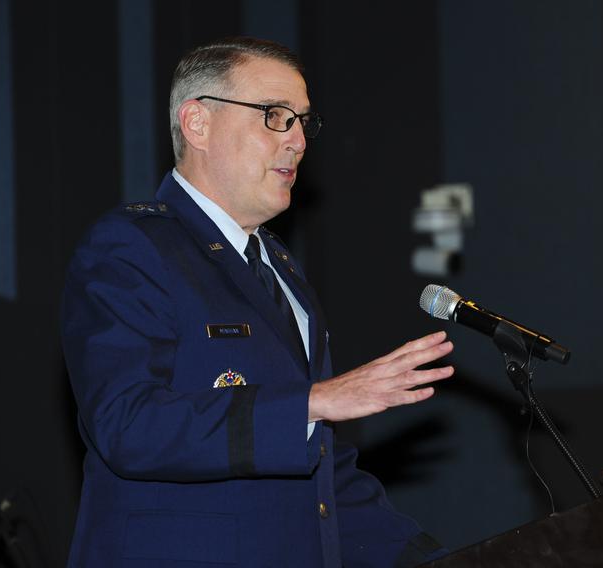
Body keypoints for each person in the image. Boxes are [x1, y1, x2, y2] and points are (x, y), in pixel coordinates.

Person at [60, 37, 454, 567]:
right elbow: (127, 424)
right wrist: (310, 403)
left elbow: (320, 474)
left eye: (304, 122)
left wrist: (438, 558)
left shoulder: (281, 270)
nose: (297, 141)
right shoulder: (133, 246)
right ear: (197, 123)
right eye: (275, 116)